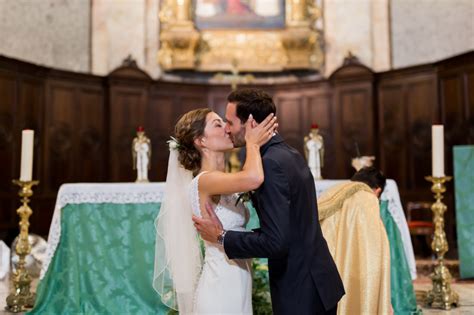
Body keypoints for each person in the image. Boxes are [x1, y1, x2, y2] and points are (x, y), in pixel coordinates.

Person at [193, 88, 345, 315]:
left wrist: (222, 237)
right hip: (313, 279)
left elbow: (276, 242)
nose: (227, 128)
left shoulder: (270, 164)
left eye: (230, 122)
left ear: (250, 124)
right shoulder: (287, 153)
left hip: (300, 287)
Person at [153, 107, 278, 314]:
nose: (227, 129)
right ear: (201, 140)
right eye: (218, 125)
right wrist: (253, 143)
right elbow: (254, 178)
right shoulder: (205, 180)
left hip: (238, 282)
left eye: (226, 123)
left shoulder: (224, 178)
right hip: (219, 287)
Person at [317, 166, 391, 315]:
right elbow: (373, 254)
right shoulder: (367, 198)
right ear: (378, 191)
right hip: (349, 278)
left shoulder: (332, 191)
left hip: (319, 271)